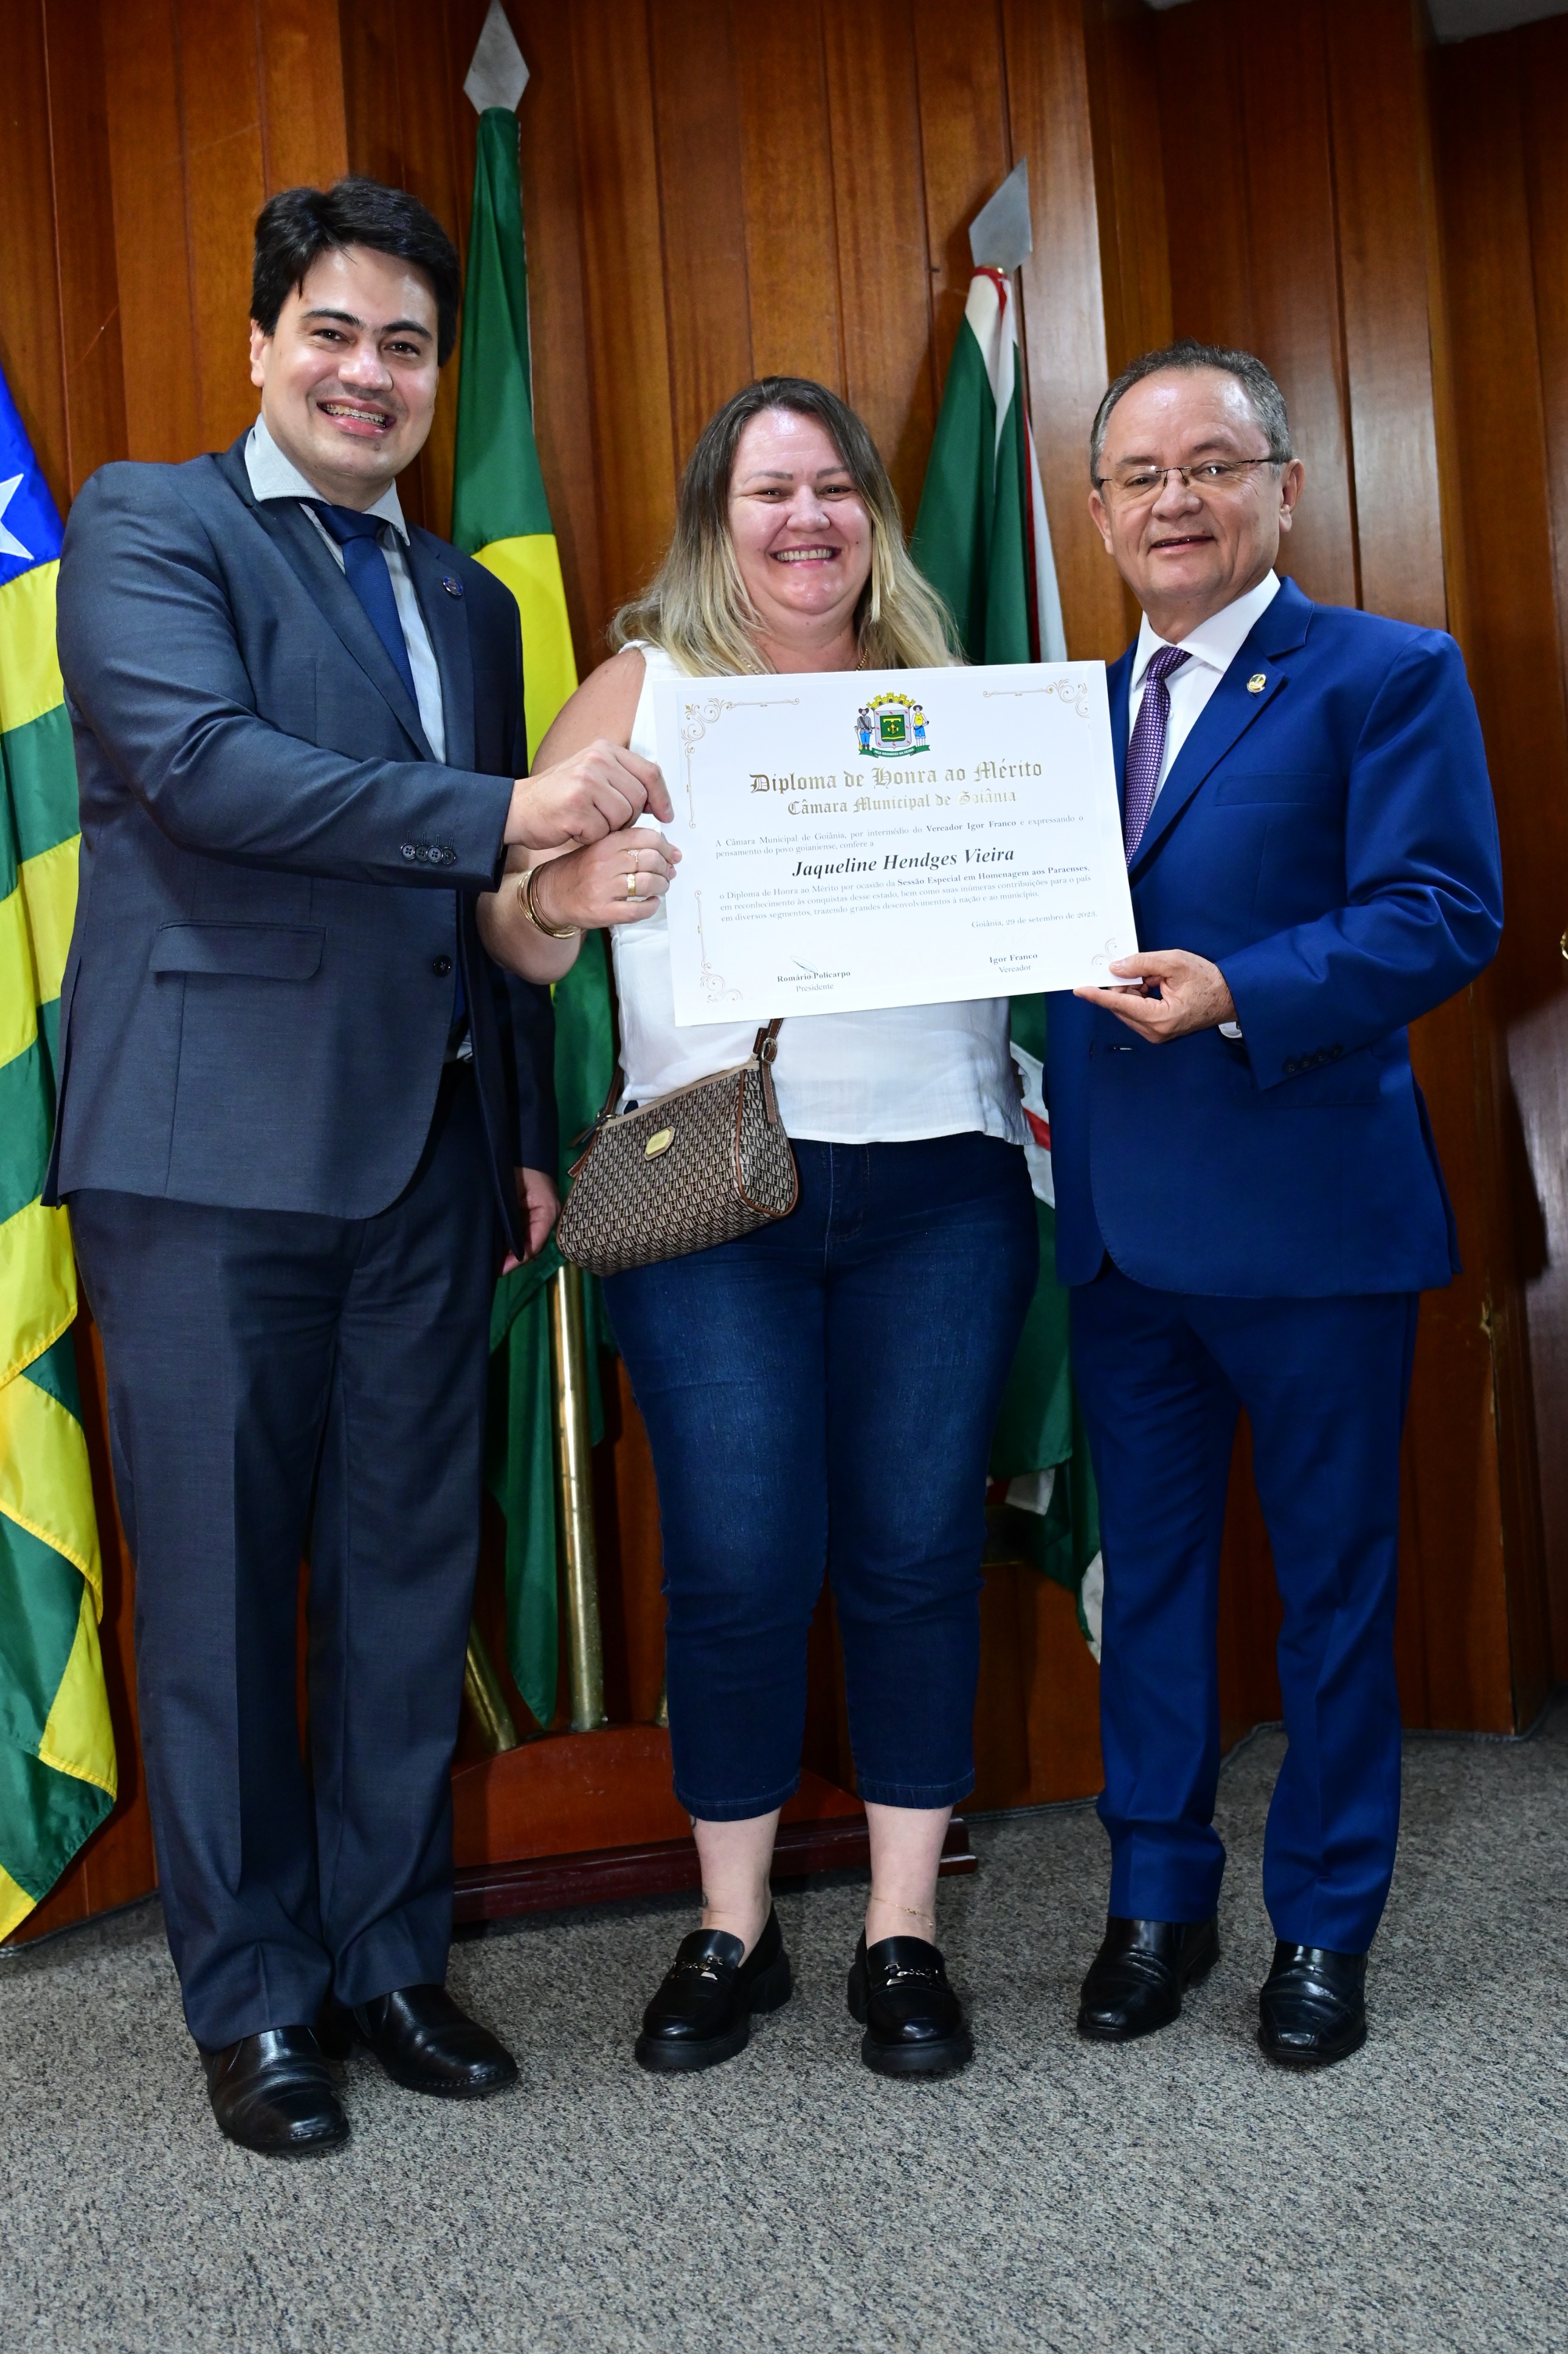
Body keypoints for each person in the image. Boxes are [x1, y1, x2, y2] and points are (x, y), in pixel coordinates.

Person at [48, 178, 671, 2156]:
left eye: (406, 344)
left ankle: (391, 1958)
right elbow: (205, 770)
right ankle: (254, 2000)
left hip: (429, 1162)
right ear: (260, 346)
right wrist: (513, 806)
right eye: (330, 331)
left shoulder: (471, 602)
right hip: (205, 1158)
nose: (368, 373)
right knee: (225, 1593)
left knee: (406, 1576)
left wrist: (517, 1137)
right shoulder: (151, 524)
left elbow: (477, 913)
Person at [479, 378, 1038, 2078]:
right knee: (735, 1562)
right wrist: (564, 892)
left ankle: (899, 1930)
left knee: (916, 1554)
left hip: (941, 1185)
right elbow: (507, 931)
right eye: (768, 493)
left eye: (833, 489)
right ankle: (730, 1926)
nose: (806, 520)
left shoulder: (956, 698)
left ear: (873, 514)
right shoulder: (646, 688)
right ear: (715, 524)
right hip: (712, 1193)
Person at [1049, 339, 1503, 2066]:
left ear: (1285, 489)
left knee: (1332, 1596)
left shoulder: (1385, 674)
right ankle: (1154, 1905)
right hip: (1115, 1233)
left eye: (1212, 465)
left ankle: (1322, 1924)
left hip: (1309, 1225)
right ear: (1099, 514)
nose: (1176, 500)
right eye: (1140, 476)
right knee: (1149, 1589)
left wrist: (1240, 987)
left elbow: (1439, 910)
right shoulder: (1050, 723)